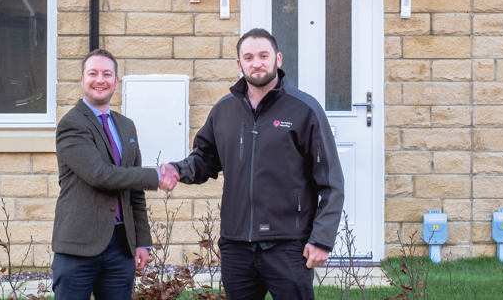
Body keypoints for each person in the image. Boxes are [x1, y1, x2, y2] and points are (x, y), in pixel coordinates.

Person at [159, 28, 345, 300]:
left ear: (278, 59)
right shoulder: (224, 110)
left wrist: (322, 239)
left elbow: (331, 183)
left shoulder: (305, 110)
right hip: (237, 247)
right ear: (239, 64)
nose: (256, 62)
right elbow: (204, 159)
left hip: (289, 246)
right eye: (248, 57)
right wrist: (177, 170)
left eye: (263, 55)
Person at [52, 49, 175, 300]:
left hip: (121, 247)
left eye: (107, 74)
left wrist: (142, 240)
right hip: (79, 248)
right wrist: (154, 175)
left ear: (116, 81)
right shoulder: (72, 124)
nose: (100, 80)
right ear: (82, 79)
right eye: (93, 73)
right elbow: (100, 175)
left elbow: (134, 194)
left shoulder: (126, 126)